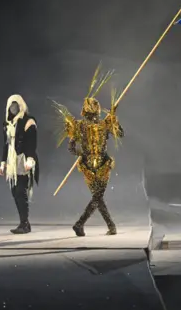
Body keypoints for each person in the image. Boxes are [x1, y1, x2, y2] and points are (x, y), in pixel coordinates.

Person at [52, 64, 124, 236]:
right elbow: (71, 147)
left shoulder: (103, 123)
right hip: (89, 167)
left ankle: (88, 225)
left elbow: (120, 133)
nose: (93, 116)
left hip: (102, 164)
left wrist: (114, 120)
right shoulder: (80, 126)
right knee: (98, 197)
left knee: (98, 196)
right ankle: (105, 226)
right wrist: (81, 154)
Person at [0, 94, 39, 234]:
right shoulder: (7, 123)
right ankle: (24, 222)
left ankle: (25, 223)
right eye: (11, 105)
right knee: (15, 192)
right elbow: (6, 144)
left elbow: (31, 143)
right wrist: (3, 162)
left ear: (21, 105)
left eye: (16, 105)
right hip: (11, 162)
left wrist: (30, 159)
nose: (13, 108)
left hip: (22, 160)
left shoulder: (28, 121)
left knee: (20, 192)